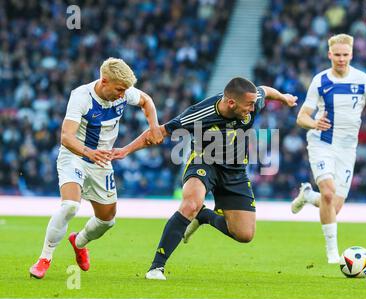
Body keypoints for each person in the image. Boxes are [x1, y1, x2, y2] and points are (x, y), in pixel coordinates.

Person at [112, 77, 298, 280]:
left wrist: (283, 98)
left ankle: (204, 216)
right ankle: (156, 267)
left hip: (235, 170)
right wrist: (125, 150)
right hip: (204, 162)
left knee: (244, 235)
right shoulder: (199, 114)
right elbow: (159, 132)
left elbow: (265, 90)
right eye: (249, 105)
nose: (253, 108)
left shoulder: (252, 99)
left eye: (254, 103)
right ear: (231, 103)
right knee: (191, 204)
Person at [29, 58, 163, 279]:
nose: (122, 95)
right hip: (75, 156)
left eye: (125, 91)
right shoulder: (81, 97)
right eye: (119, 89)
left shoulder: (124, 92)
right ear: (104, 81)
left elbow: (146, 101)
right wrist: (88, 152)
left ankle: (79, 241)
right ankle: (44, 258)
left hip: (101, 162)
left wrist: (154, 126)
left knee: (107, 220)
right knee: (71, 205)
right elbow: (66, 137)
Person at [291, 34, 366, 263]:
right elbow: (302, 117)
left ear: (352, 54)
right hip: (322, 142)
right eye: (337, 55)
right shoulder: (320, 81)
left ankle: (309, 196)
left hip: (347, 149)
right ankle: (332, 254)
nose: (341, 59)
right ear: (330, 55)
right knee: (328, 193)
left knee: (333, 205)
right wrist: (314, 123)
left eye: (345, 55)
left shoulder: (362, 79)